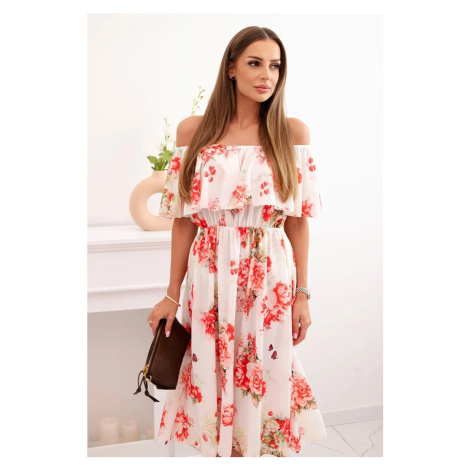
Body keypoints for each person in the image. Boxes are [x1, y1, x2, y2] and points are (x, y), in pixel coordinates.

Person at [147, 25, 327, 457]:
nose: (267, 75)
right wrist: (171, 295)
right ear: (231, 68)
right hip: (209, 276)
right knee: (210, 374)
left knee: (263, 375)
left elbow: (298, 222)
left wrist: (302, 293)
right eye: (255, 63)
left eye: (275, 66)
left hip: (269, 278)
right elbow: (184, 222)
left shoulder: (292, 133)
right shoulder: (194, 132)